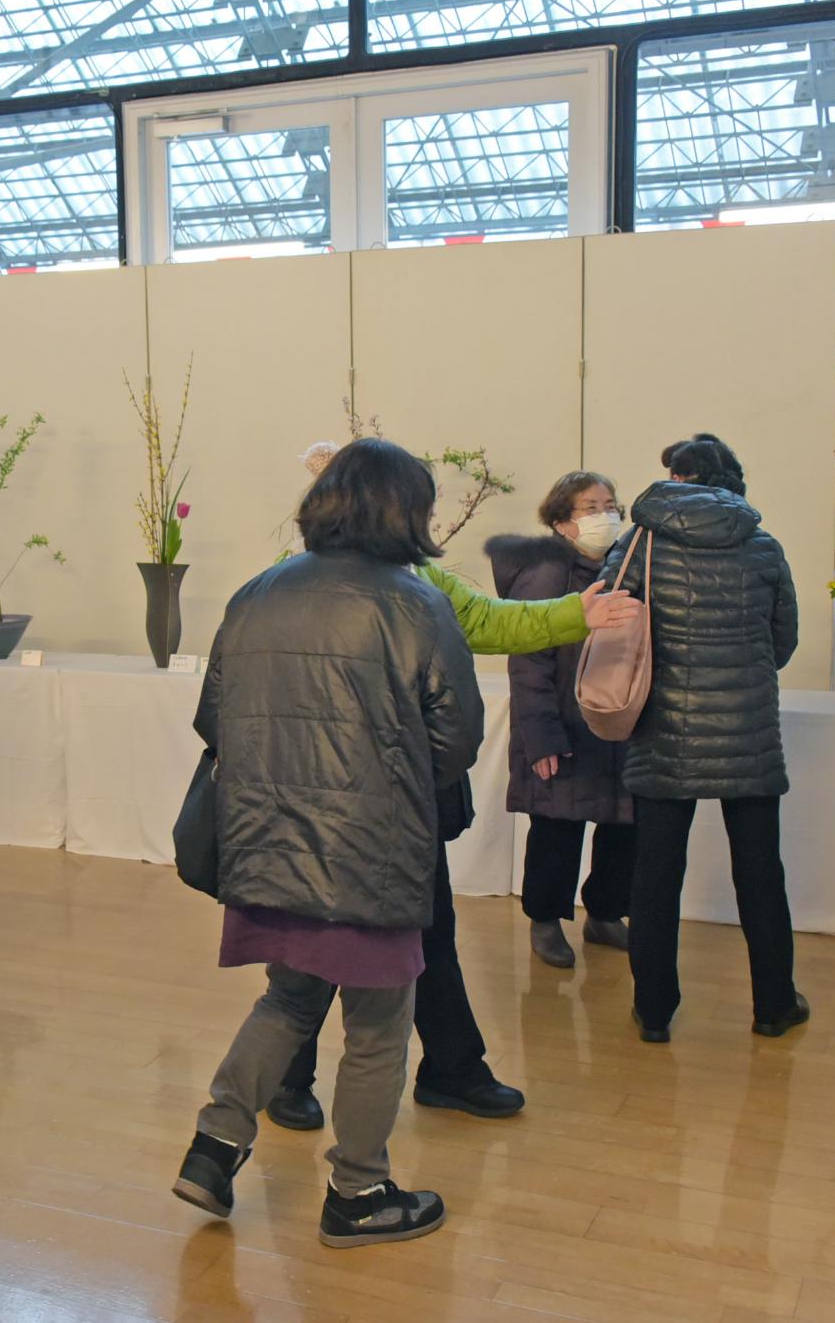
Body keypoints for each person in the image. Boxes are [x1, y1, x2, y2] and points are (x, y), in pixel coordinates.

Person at [173, 438, 481, 1248]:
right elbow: (457, 739)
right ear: (403, 511)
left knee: (291, 996)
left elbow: (214, 720)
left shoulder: (256, 593)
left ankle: (212, 1146)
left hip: (269, 840)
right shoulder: (418, 606)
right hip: (370, 850)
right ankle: (359, 1190)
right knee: (378, 1023)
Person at [263, 492, 643, 1132]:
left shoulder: (420, 577)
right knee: (316, 942)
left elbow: (489, 621)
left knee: (431, 931)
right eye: (414, 506)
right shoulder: (289, 584)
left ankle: (452, 1069)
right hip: (319, 796)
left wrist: (575, 614)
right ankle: (288, 1078)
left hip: (401, 798)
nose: (422, 521)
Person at [604, 434, 805, 1043]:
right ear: (732, 481)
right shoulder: (763, 547)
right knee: (761, 871)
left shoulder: (639, 543)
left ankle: (655, 1011)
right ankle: (773, 1005)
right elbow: (783, 644)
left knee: (657, 873)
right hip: (748, 732)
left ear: (675, 478)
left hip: (664, 730)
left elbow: (609, 624)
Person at [486, 472, 637, 969]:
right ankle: (546, 920)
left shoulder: (625, 566)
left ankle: (606, 914)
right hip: (562, 724)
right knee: (557, 827)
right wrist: (543, 739)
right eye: (590, 507)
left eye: (611, 505)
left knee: (622, 825)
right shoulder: (545, 574)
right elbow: (527, 664)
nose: (605, 516)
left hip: (615, 719)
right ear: (561, 522)